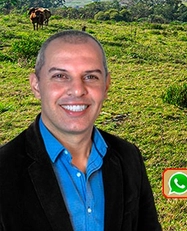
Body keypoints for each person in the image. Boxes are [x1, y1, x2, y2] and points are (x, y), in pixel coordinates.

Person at [0, 30, 161, 231]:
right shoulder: (4, 169)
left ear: (106, 85)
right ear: (36, 85)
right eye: (60, 76)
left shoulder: (128, 157)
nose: (77, 90)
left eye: (91, 76)